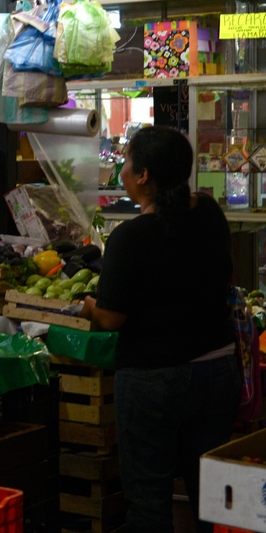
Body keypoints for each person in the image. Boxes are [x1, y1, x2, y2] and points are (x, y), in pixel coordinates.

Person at [81, 125, 237, 533]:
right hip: (217, 371)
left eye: (128, 162)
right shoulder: (209, 214)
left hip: (152, 381)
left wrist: (90, 308)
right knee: (216, 502)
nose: (124, 171)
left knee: (149, 504)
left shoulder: (130, 237)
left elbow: (111, 319)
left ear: (144, 175)